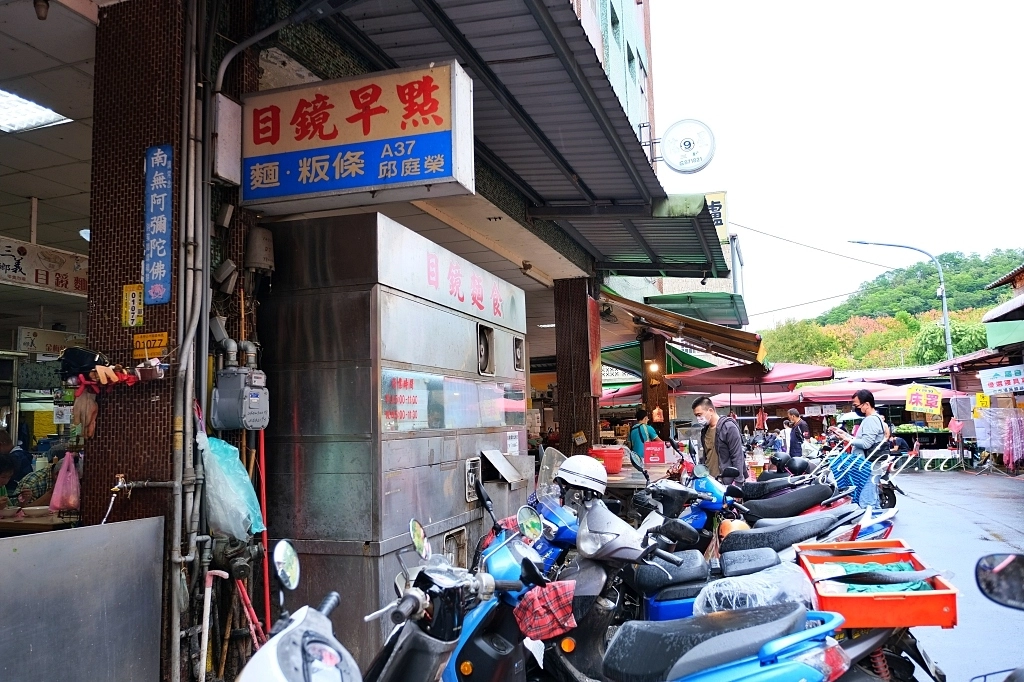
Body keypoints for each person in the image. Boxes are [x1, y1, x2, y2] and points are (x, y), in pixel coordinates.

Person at [828, 390, 887, 505]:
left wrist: (847, 439)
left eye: (856, 405)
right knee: (871, 501)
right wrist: (845, 435)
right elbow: (863, 441)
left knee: (867, 503)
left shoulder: (871, 419)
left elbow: (866, 444)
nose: (855, 408)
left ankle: (871, 522)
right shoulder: (873, 418)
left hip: (867, 467)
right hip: (869, 466)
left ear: (866, 405)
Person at [692, 396, 747, 483]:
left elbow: (737, 456)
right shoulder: (704, 431)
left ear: (710, 411)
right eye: (696, 416)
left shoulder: (729, 427)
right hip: (710, 480)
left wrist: (739, 482)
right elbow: (707, 456)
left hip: (725, 482)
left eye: (699, 415)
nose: (698, 418)